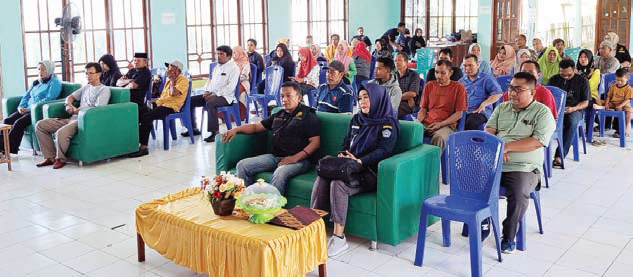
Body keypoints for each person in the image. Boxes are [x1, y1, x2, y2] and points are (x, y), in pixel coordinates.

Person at [310, 83, 398, 257]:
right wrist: (342, 155)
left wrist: (361, 160)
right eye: (360, 98)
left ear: (378, 99)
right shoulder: (357, 119)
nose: (362, 101)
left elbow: (384, 151)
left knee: (338, 183)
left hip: (369, 172)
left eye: (367, 97)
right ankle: (314, 226)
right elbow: (345, 142)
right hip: (349, 166)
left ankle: (339, 236)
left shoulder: (388, 124)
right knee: (324, 176)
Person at [486, 72, 556, 253]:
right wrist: (497, 146)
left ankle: (508, 236)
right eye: (511, 88)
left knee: (517, 193)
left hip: (523, 168)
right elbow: (489, 129)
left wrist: (507, 147)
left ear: (532, 92)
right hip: (496, 162)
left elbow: (538, 141)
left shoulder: (542, 112)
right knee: (473, 181)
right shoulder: (502, 108)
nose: (513, 93)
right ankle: (482, 223)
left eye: (518, 89)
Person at [223, 82, 321, 195]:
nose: (284, 99)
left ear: (298, 97)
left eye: (288, 95)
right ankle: (249, 202)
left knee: (280, 173)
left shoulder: (308, 115)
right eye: (282, 96)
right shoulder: (279, 114)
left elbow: (315, 143)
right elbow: (255, 127)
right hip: (275, 157)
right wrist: (236, 129)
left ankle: (272, 209)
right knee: (242, 165)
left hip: (300, 160)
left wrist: (295, 158)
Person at [35, 63, 110, 169]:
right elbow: (70, 97)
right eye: (86, 73)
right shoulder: (86, 87)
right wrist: (68, 105)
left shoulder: (104, 90)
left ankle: (60, 159)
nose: (88, 76)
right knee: (40, 125)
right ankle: (50, 157)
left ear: (98, 74)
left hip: (84, 121)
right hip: (72, 119)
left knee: (61, 132)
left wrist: (76, 111)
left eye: (91, 73)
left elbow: (96, 111)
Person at [129, 60, 189, 157]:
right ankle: (134, 143)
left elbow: (173, 93)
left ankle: (143, 147)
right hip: (161, 103)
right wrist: (154, 101)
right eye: (168, 68)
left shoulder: (183, 80)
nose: (168, 70)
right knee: (139, 112)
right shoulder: (169, 80)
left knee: (147, 117)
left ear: (177, 71)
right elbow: (164, 96)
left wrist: (173, 80)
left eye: (170, 68)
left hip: (170, 107)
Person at [0, 60, 61, 155]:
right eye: (39, 69)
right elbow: (26, 96)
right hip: (26, 109)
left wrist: (28, 109)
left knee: (19, 123)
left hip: (37, 111)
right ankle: (1, 148)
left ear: (49, 70)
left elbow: (49, 99)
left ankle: (8, 149)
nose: (40, 72)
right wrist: (21, 107)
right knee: (7, 121)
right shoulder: (36, 82)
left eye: (43, 70)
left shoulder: (54, 83)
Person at [184, 46, 239, 142]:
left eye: (222, 54)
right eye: (217, 54)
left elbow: (230, 88)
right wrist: (206, 91)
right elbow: (211, 82)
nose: (219, 56)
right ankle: (193, 129)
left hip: (226, 97)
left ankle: (215, 133)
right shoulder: (217, 67)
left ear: (229, 56)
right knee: (191, 100)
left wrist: (215, 95)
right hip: (212, 94)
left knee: (211, 103)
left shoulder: (234, 68)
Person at [547, 59, 590, 168]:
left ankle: (559, 155)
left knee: (571, 122)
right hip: (555, 110)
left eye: (569, 75)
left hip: (575, 110)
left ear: (575, 70)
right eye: (562, 74)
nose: (565, 77)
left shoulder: (582, 81)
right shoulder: (554, 79)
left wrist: (573, 108)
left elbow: (585, 102)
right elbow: (548, 97)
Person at [418, 60, 467, 150]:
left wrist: (441, 124)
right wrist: (418, 123)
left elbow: (459, 114)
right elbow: (423, 109)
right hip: (427, 123)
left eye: (443, 73)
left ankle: (433, 164)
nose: (439, 76)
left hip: (446, 125)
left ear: (450, 73)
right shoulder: (429, 85)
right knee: (410, 133)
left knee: (439, 138)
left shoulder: (459, 88)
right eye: (436, 72)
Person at [460, 54, 503, 130]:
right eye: (465, 66)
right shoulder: (461, 81)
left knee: (470, 122)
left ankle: (470, 142)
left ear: (477, 65)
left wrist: (484, 104)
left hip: (480, 111)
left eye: (470, 65)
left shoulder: (486, 78)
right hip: (464, 111)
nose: (467, 68)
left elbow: (498, 94)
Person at [593, 68, 631, 137]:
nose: (619, 82)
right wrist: (607, 103)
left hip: (623, 104)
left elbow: (627, 99)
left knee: (628, 110)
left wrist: (620, 106)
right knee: (597, 99)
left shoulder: (628, 88)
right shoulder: (613, 86)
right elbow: (608, 96)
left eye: (621, 81)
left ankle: (625, 128)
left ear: (627, 78)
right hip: (613, 103)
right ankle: (603, 107)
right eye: (617, 80)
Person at [395, 52, 421, 118]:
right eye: (395, 61)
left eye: (399, 60)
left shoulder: (414, 75)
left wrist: (395, 97)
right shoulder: (393, 76)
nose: (397, 62)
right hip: (394, 101)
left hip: (407, 104)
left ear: (406, 62)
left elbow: (412, 94)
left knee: (391, 111)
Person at [232, 46, 251, 121]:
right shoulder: (232, 63)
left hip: (243, 83)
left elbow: (244, 76)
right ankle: (227, 115)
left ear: (240, 53)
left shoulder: (245, 63)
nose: (233, 55)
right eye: (232, 53)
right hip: (233, 83)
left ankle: (241, 115)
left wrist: (234, 80)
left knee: (238, 93)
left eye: (235, 53)